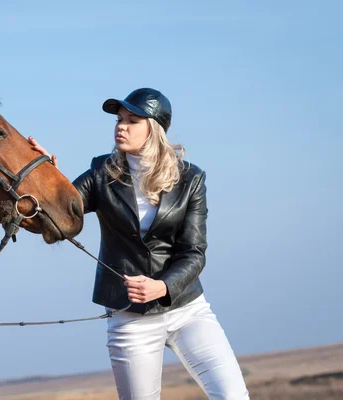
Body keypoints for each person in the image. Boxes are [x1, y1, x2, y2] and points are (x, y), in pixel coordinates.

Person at [29, 88, 249, 400]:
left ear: (154, 129)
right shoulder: (100, 171)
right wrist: (45, 175)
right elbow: (61, 214)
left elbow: (194, 252)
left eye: (133, 120)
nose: (121, 126)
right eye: (119, 119)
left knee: (233, 396)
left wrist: (162, 286)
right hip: (129, 317)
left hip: (187, 308)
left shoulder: (191, 179)